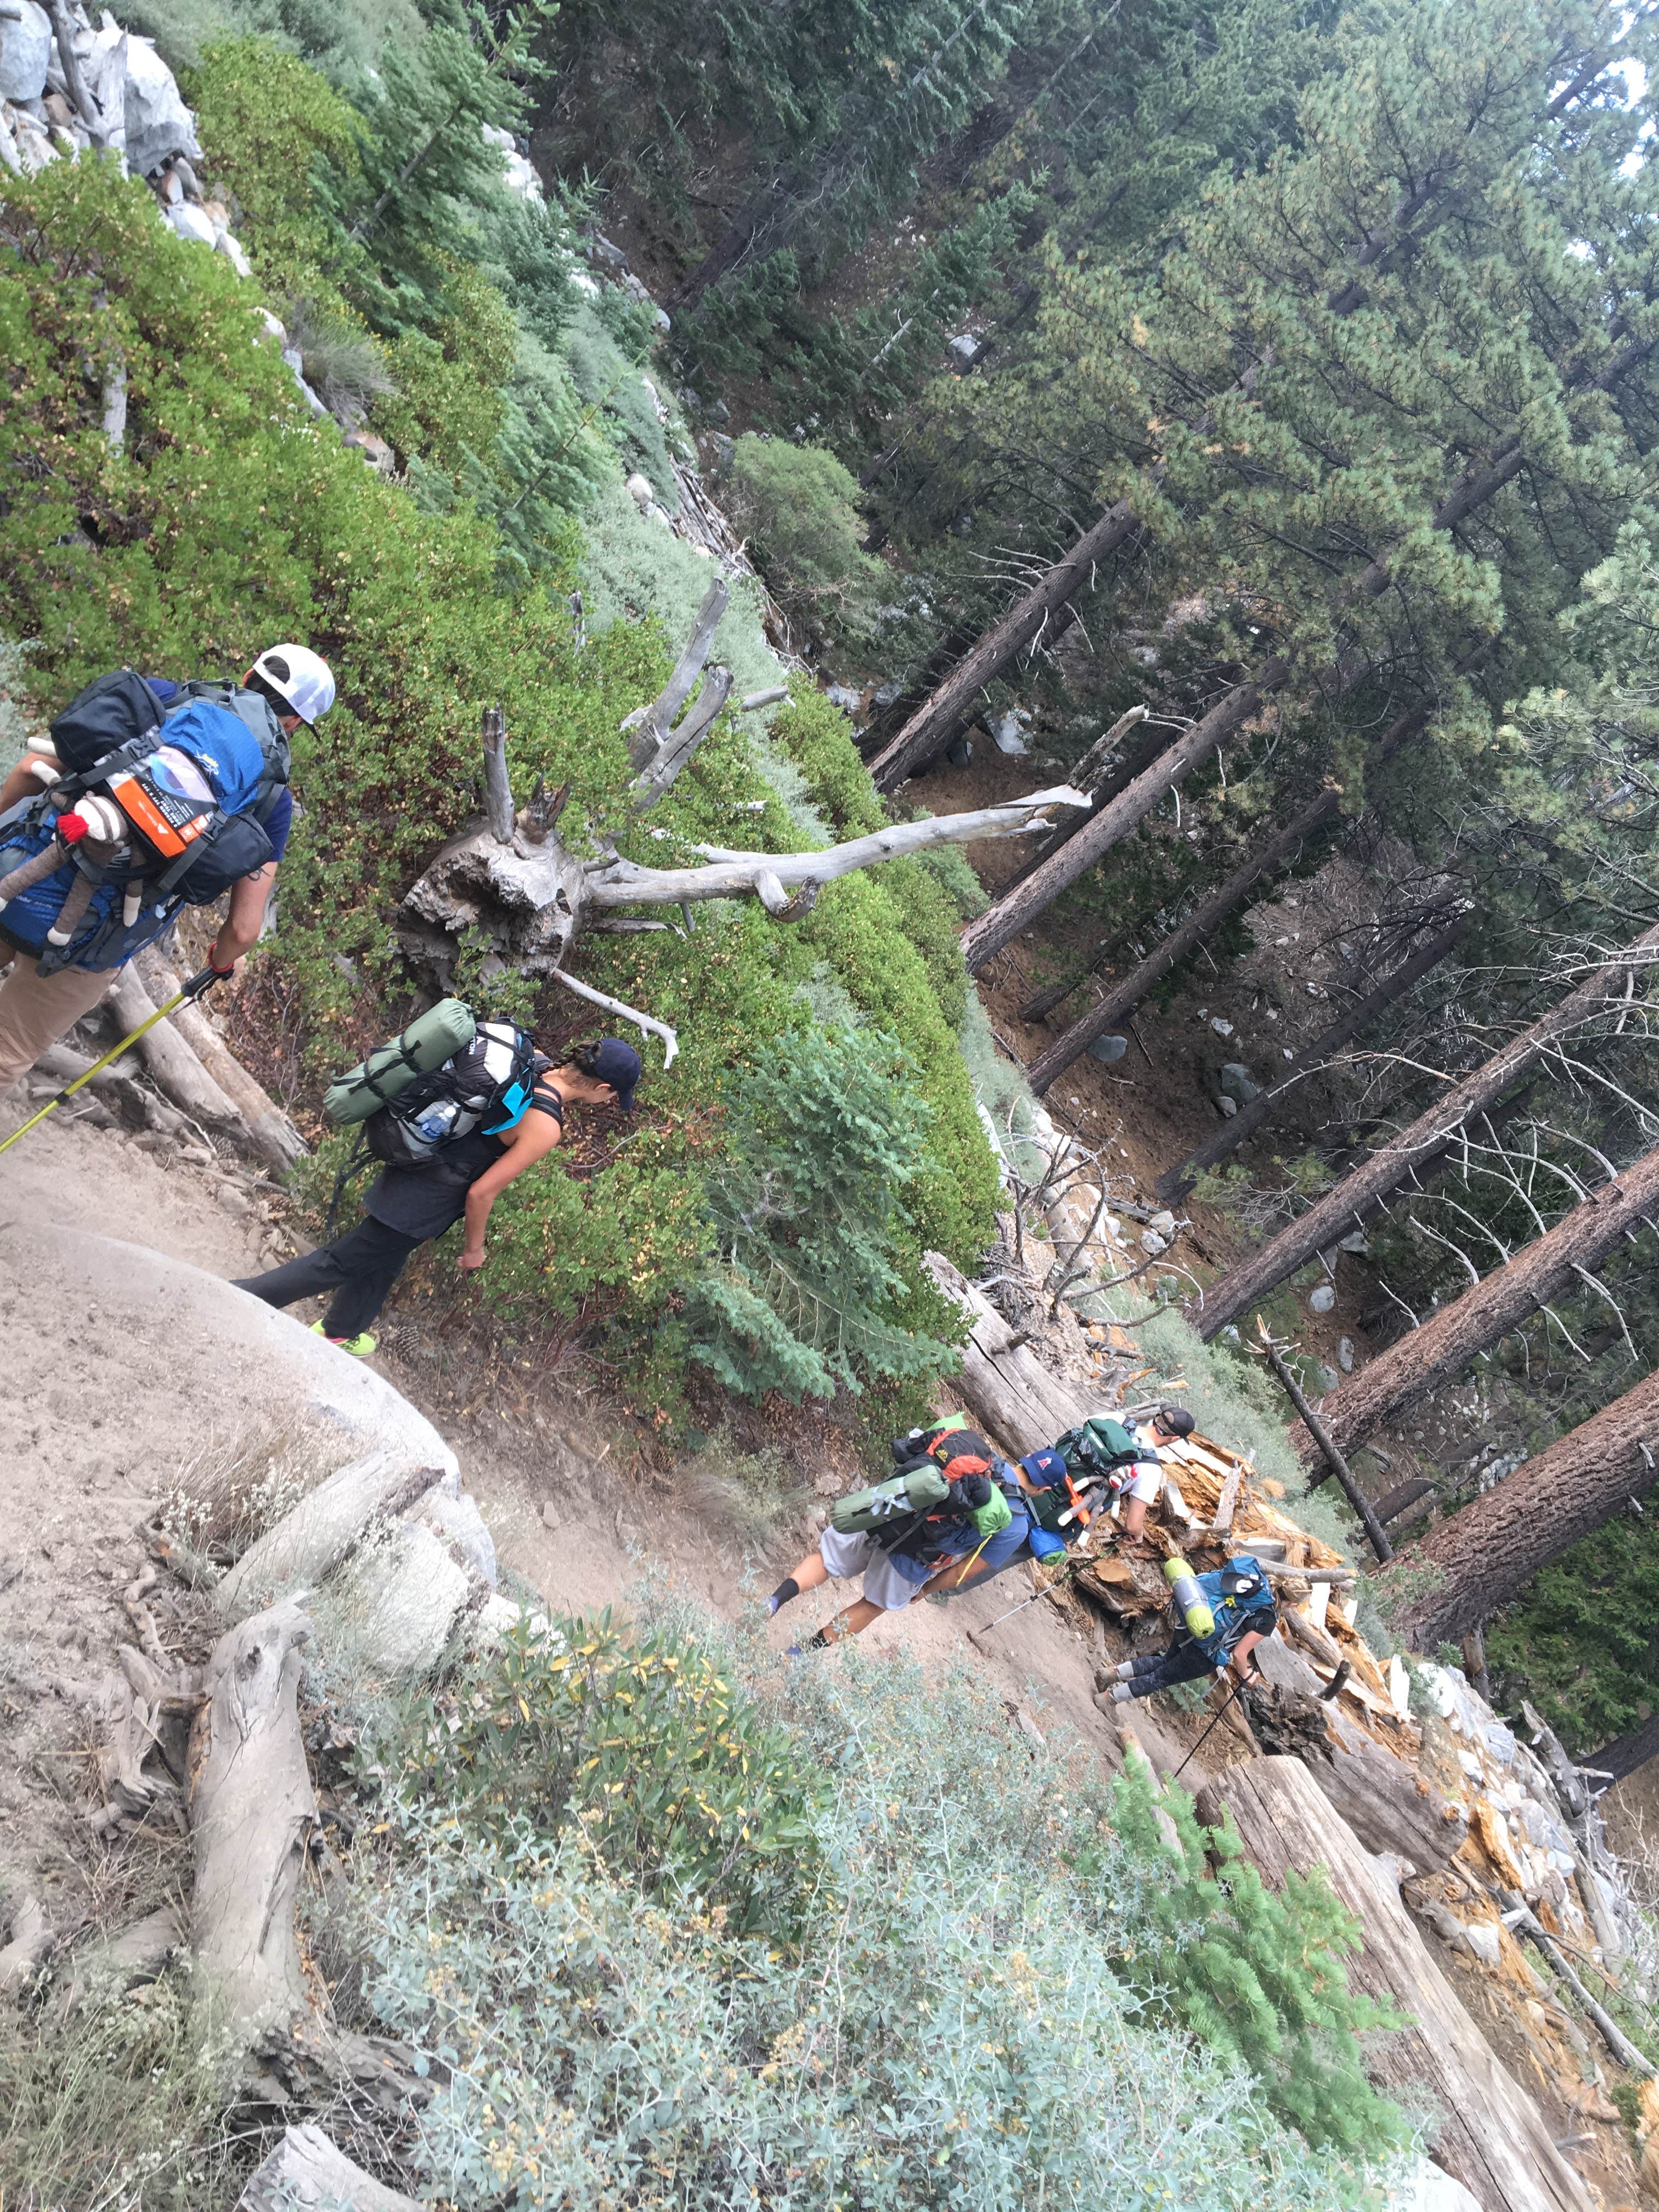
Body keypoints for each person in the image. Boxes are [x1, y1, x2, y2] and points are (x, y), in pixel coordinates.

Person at [0, 645, 333, 1091]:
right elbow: (243, 929)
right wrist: (220, 961)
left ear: (248, 675)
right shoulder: (272, 802)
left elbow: (31, 769)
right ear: (294, 724)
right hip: (92, 943)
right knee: (7, 1051)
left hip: (19, 867)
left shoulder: (161, 699)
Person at [233, 1036, 642, 1356]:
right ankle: (238, 1297)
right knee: (338, 1262)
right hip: (426, 1199)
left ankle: (341, 1331)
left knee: (385, 1260)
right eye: (611, 1097)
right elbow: (481, 1193)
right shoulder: (546, 1125)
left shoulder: (529, 1062)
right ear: (603, 1087)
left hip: (416, 1162)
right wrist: (474, 1249)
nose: (606, 1102)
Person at [769, 1420, 1028, 1649]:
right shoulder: (1016, 1524)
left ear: (1027, 1458)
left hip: (884, 1513)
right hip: (912, 1559)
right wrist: (926, 1590)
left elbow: (911, 1448)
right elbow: (963, 1572)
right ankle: (799, 1653)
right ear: (1044, 1489)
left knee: (827, 1561)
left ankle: (772, 1602)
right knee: (872, 1605)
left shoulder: (972, 1446)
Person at [1103, 1554, 1278, 1703]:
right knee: (1162, 1677)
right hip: (1206, 1651)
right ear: (1290, 1603)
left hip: (1193, 1619)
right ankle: (1109, 1699)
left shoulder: (1253, 1582)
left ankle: (1111, 1674)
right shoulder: (1268, 1617)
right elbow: (1239, 1654)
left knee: (1164, 1662)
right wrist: (1247, 1674)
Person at [1113, 1403, 1195, 1537]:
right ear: (1175, 1438)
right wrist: (1138, 1534)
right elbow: (1132, 1526)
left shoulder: (1118, 1418)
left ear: (1157, 1418)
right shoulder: (1152, 1469)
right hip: (1082, 1504)